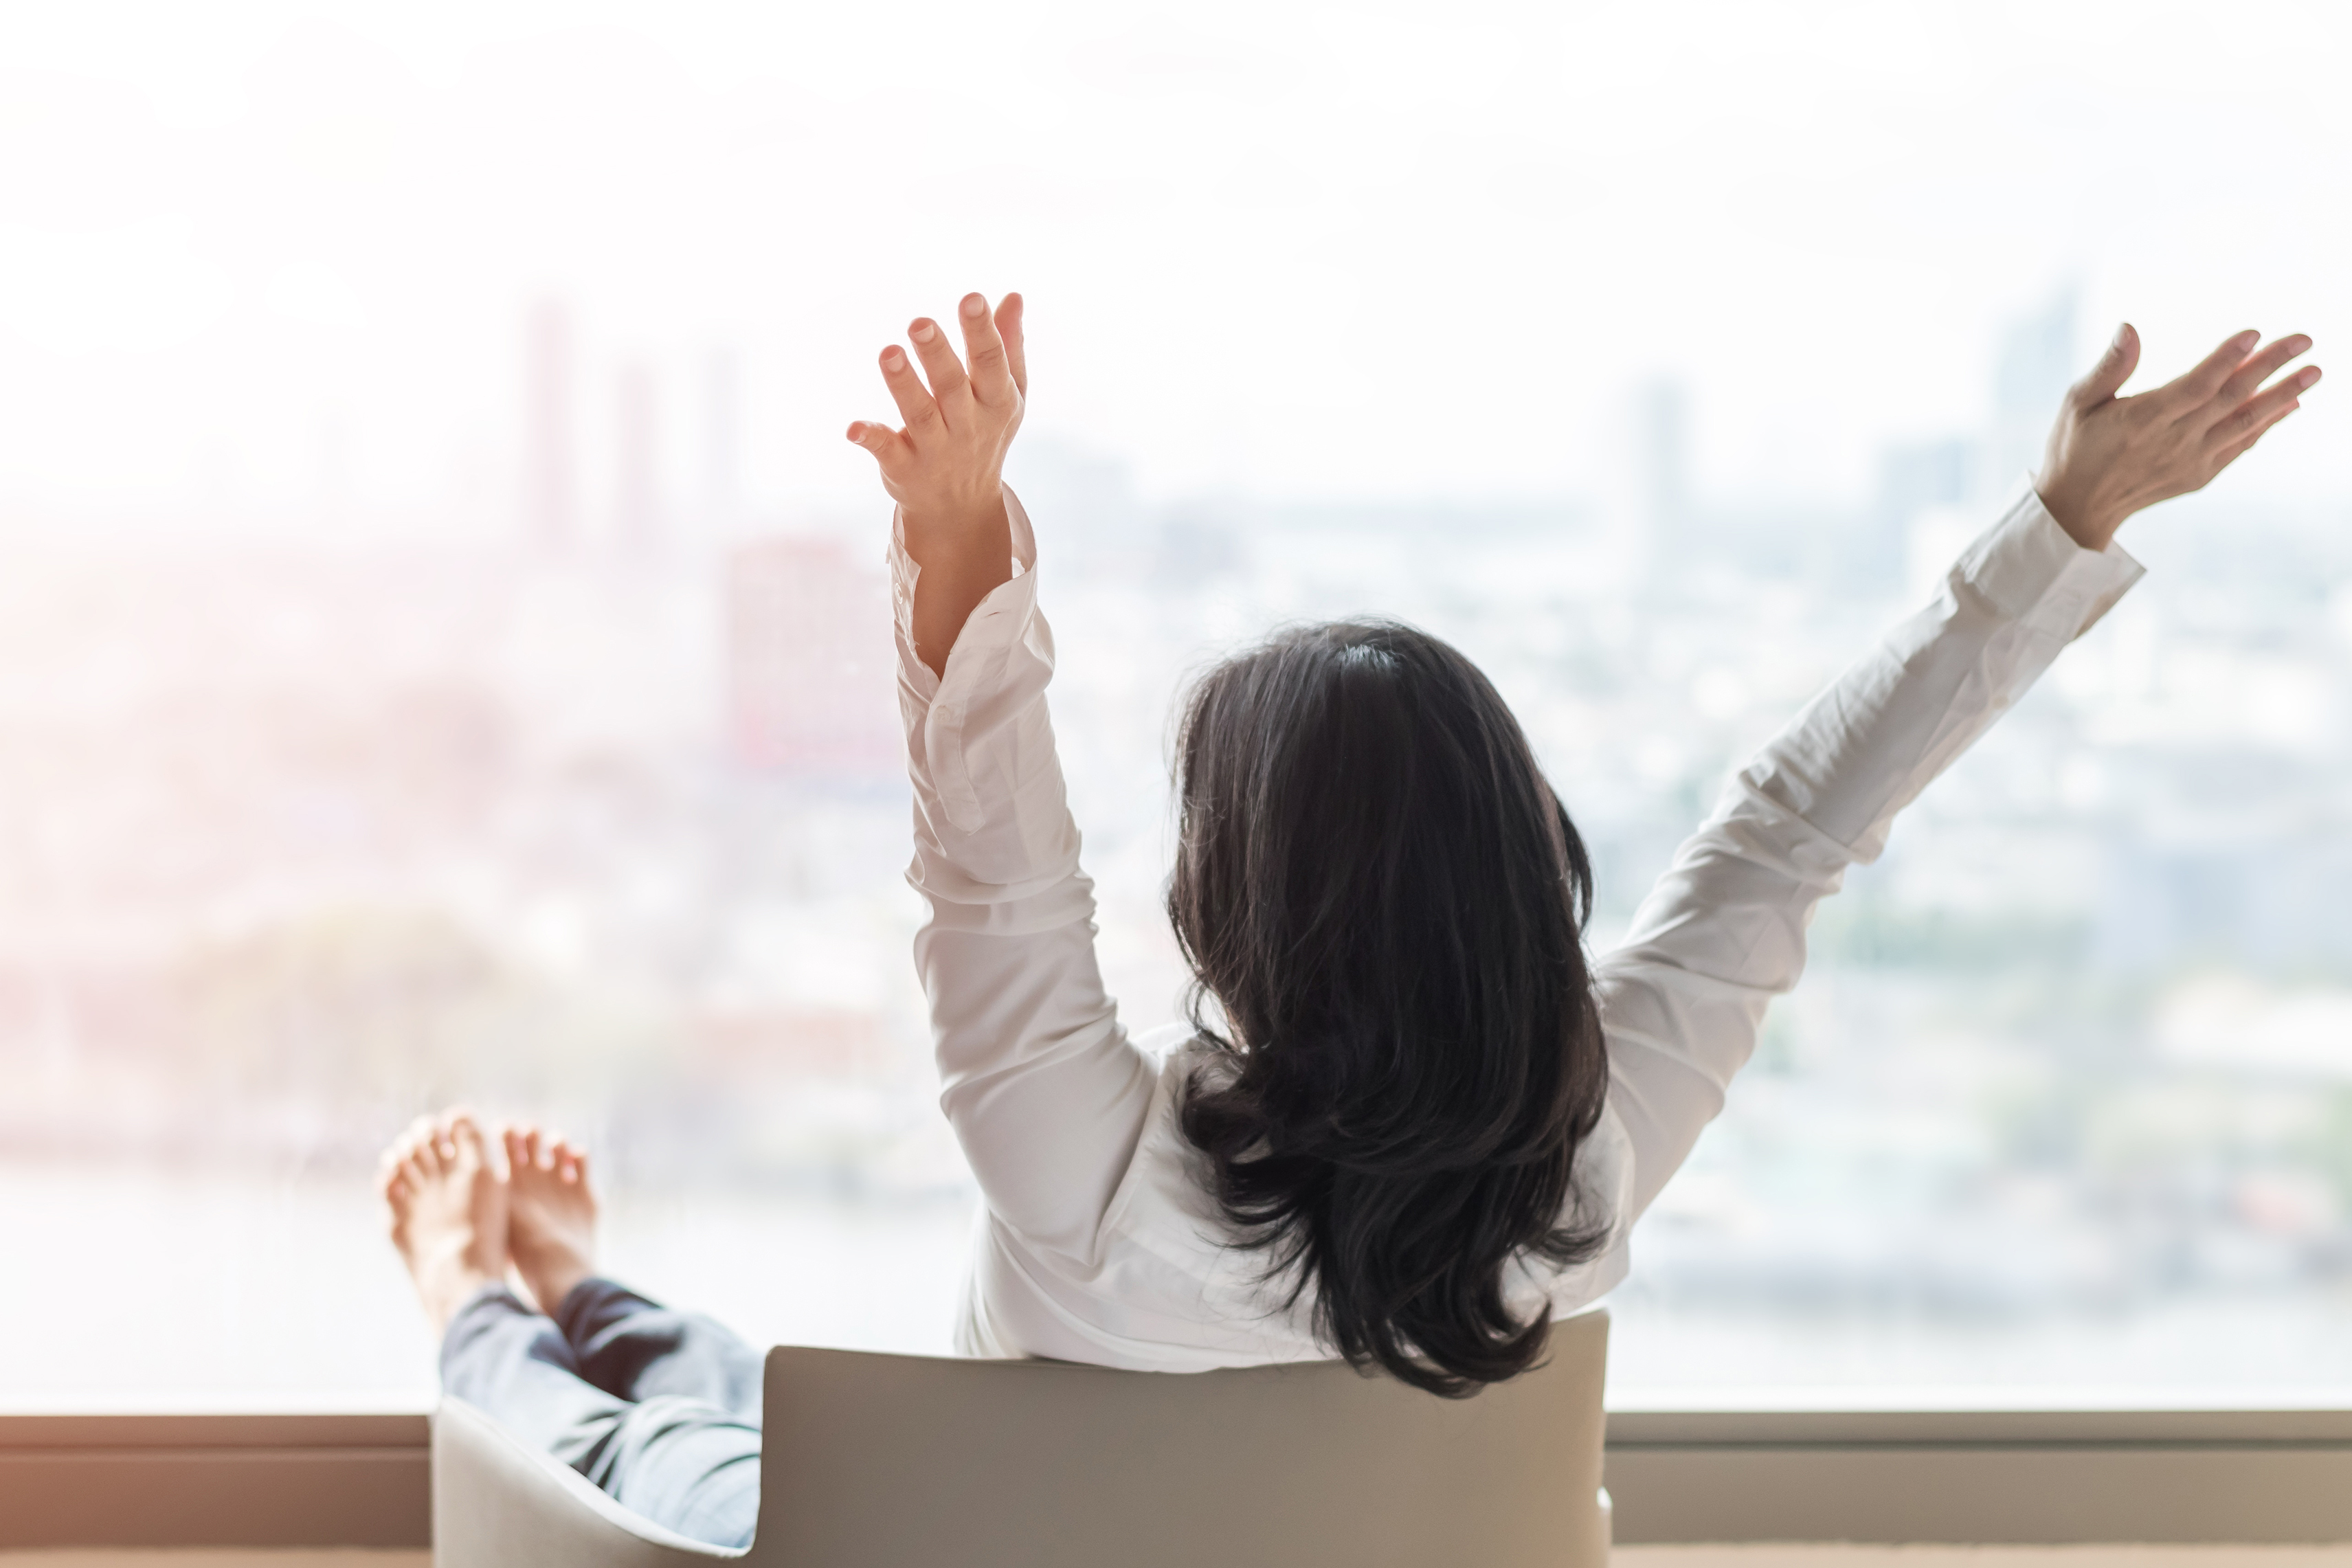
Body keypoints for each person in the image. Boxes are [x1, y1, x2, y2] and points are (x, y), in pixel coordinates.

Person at [383, 295, 2318, 1546]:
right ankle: (600, 1295)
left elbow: (995, 869)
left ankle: (491, 1280)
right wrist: (2057, 526)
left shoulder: (1085, 1167)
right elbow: (1798, 829)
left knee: (664, 1441)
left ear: (1229, 907)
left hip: (885, 1538)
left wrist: (958, 524)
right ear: (1516, 866)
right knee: (720, 1377)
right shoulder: (1594, 1158)